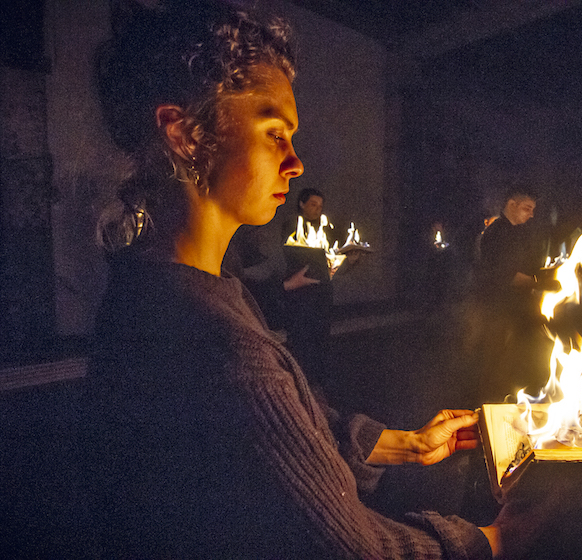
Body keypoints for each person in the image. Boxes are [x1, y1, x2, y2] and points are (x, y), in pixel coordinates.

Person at [88, 4, 533, 558]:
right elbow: (356, 548)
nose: (296, 162)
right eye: (275, 133)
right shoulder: (220, 346)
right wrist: (494, 539)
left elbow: (283, 435)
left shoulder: (161, 284)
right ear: (187, 134)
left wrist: (409, 444)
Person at [472, 188, 547, 403]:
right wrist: (539, 283)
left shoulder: (518, 233)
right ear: (512, 204)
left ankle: (508, 400)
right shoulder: (497, 233)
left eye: (533, 210)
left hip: (516, 310)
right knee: (497, 363)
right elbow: (506, 275)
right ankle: (490, 408)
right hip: (499, 309)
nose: (531, 214)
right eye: (527, 208)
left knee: (512, 362)